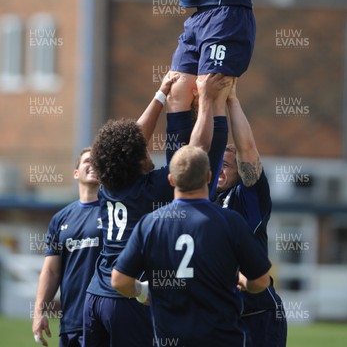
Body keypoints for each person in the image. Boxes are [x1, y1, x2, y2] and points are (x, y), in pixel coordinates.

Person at [83, 72, 231, 347]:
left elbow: (130, 140)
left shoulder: (107, 186)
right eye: (145, 153)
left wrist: (161, 95)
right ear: (137, 161)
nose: (148, 152)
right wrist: (208, 100)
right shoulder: (150, 189)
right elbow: (197, 149)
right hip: (126, 299)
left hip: (94, 297)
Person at [112, 144, 272, 347]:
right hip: (223, 338)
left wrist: (142, 290)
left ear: (171, 179)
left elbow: (119, 281)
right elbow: (261, 281)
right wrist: (246, 283)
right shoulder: (230, 221)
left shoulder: (151, 223)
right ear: (208, 177)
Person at [215, 79, 287, 346]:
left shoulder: (247, 198)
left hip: (258, 315)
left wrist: (231, 100)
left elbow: (248, 152)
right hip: (222, 316)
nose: (219, 170)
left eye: (226, 165)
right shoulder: (202, 199)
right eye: (216, 165)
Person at [32, 148, 102, 347]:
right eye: (88, 160)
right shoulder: (60, 219)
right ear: (76, 173)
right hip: (72, 322)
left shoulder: (115, 212)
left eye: (99, 161)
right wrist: (39, 313)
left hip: (107, 320)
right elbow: (51, 271)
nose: (94, 164)